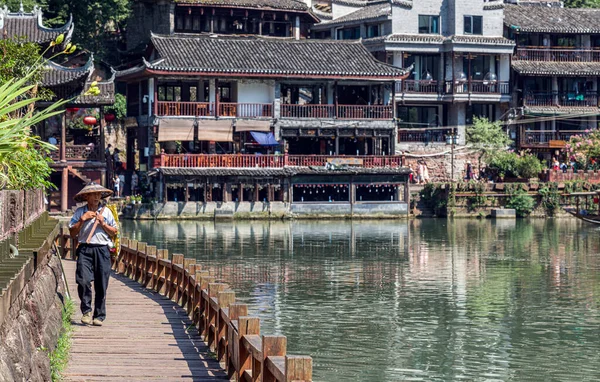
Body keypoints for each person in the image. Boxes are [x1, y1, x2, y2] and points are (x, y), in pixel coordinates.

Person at [68, 183, 117, 326]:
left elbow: (114, 232)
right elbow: (72, 233)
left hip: (102, 249)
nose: (97, 197)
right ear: (86, 196)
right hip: (85, 248)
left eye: (98, 194)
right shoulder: (79, 213)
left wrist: (103, 223)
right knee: (83, 280)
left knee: (102, 283)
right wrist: (82, 220)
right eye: (93, 194)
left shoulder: (107, 212)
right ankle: (86, 311)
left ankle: (99, 315)